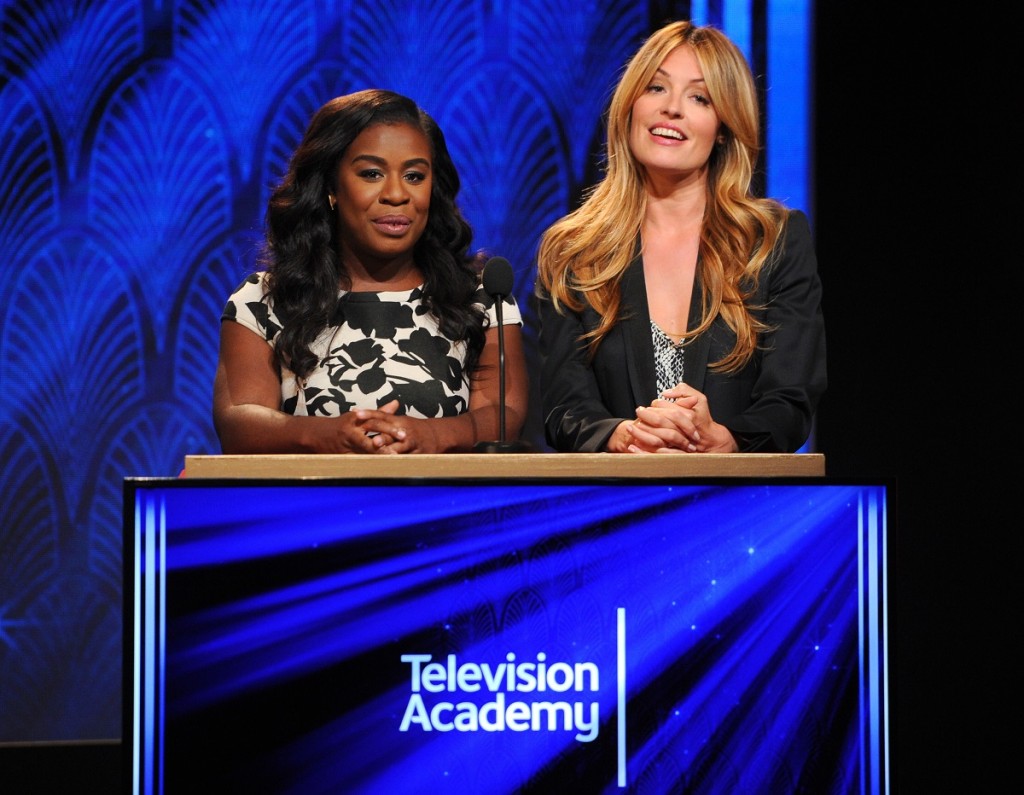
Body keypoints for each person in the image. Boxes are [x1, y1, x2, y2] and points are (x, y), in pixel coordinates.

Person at [534, 20, 826, 454]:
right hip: (614, 505)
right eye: (656, 88)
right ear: (630, 104)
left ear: (723, 126)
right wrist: (625, 437)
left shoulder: (773, 241)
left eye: (699, 97)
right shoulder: (573, 253)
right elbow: (564, 409)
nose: (672, 109)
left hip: (736, 506)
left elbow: (789, 402)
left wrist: (725, 441)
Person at [213, 89, 528, 454]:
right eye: (372, 173)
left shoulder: (481, 301)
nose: (396, 194)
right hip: (314, 509)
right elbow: (238, 421)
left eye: (414, 176)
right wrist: (326, 436)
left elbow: (502, 415)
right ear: (331, 187)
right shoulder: (264, 301)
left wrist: (433, 436)